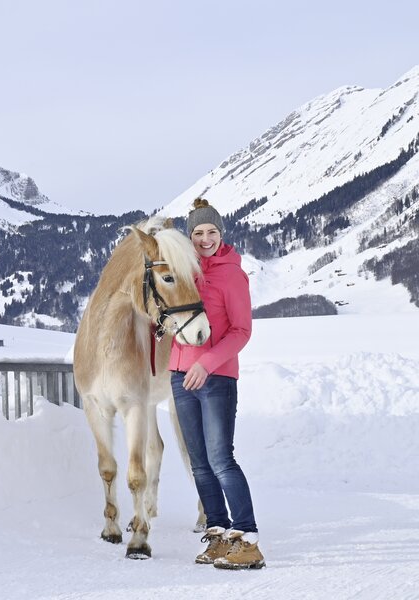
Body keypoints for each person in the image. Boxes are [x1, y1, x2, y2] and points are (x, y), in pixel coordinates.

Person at [169, 197, 266, 570]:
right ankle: (217, 531)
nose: (205, 238)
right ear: (189, 238)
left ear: (221, 234)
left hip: (217, 378)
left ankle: (247, 537)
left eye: (212, 232)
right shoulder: (184, 272)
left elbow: (242, 331)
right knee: (199, 464)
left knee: (221, 459)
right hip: (181, 377)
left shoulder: (231, 274)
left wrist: (207, 364)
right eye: (198, 233)